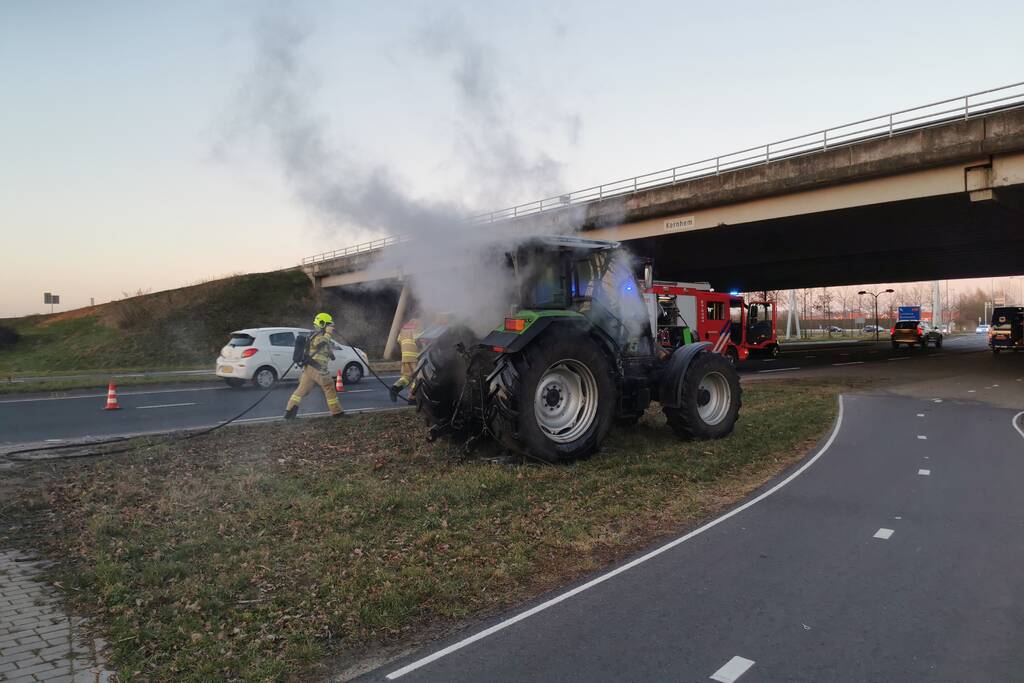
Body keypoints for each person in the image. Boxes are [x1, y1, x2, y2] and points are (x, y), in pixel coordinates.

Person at [284, 313, 344, 419]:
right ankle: (337, 413)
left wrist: (330, 354)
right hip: (317, 367)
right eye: (328, 324)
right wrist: (328, 333)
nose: (330, 327)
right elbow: (319, 344)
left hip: (309, 368)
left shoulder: (315, 335)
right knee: (329, 386)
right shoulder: (320, 335)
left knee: (301, 390)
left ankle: (289, 413)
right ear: (322, 324)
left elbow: (322, 348)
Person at [389, 318, 421, 403]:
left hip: (405, 356)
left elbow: (399, 340)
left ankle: (395, 388)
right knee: (418, 377)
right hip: (414, 356)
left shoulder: (404, 329)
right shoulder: (418, 327)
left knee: (407, 376)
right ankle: (412, 397)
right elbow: (420, 338)